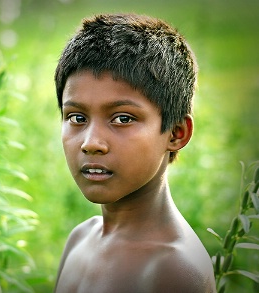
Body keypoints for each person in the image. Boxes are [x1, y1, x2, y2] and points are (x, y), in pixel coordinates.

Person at [54, 13, 216, 292]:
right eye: (77, 118)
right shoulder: (80, 239)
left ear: (177, 133)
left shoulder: (174, 269)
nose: (91, 143)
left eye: (123, 118)